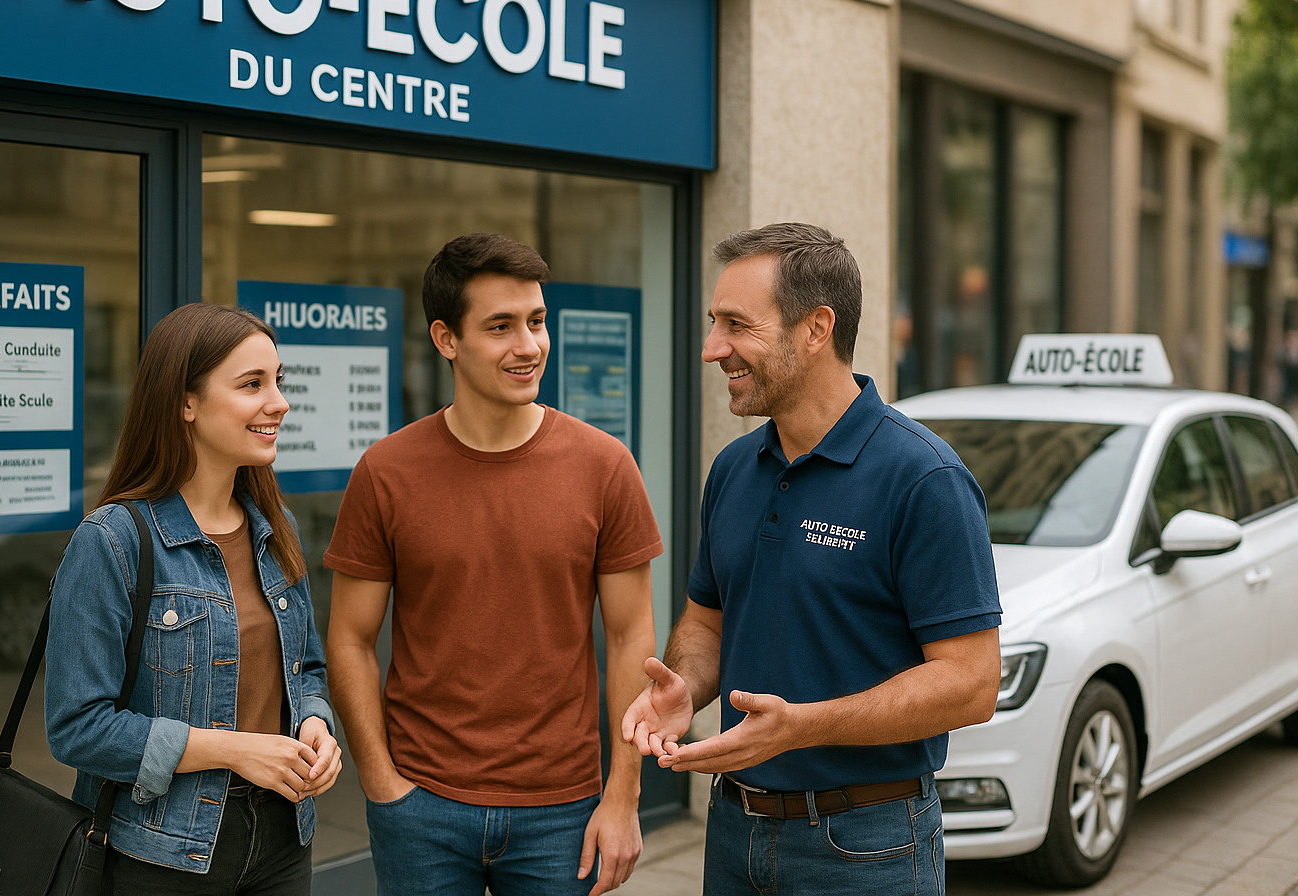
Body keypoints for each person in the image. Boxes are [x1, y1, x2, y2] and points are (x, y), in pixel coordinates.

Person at [622, 223, 1002, 895]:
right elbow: (707, 623)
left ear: (816, 328)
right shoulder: (733, 468)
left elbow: (972, 684)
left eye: (737, 325)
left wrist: (803, 727)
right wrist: (686, 686)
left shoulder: (923, 478)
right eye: (714, 323)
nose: (713, 349)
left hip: (868, 845)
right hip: (734, 830)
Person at [325, 233, 663, 896]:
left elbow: (632, 638)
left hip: (562, 809)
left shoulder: (604, 466)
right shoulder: (386, 472)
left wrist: (623, 793)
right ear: (446, 339)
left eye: (537, 321)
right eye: (501, 326)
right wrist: (381, 781)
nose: (529, 345)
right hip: (421, 804)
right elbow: (349, 639)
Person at [46, 302, 343, 895]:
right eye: (252, 384)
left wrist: (314, 720)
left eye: (278, 381)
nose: (279, 402)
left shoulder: (276, 528)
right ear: (186, 403)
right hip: (161, 850)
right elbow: (77, 727)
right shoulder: (113, 541)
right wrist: (233, 751)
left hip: (285, 834)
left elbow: (306, 667)